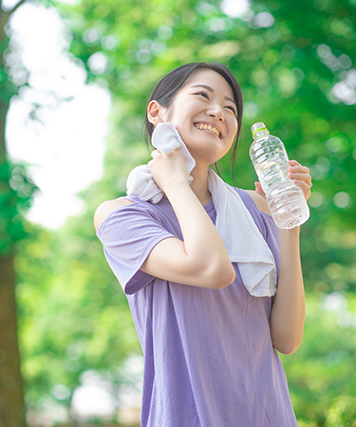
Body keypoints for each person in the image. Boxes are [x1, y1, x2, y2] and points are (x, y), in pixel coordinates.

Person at [94, 62, 312, 426]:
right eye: (203, 96)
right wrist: (177, 183)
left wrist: (288, 220)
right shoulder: (124, 216)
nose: (219, 112)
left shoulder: (254, 210)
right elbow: (212, 268)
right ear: (156, 112)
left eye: (231, 108)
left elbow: (287, 337)